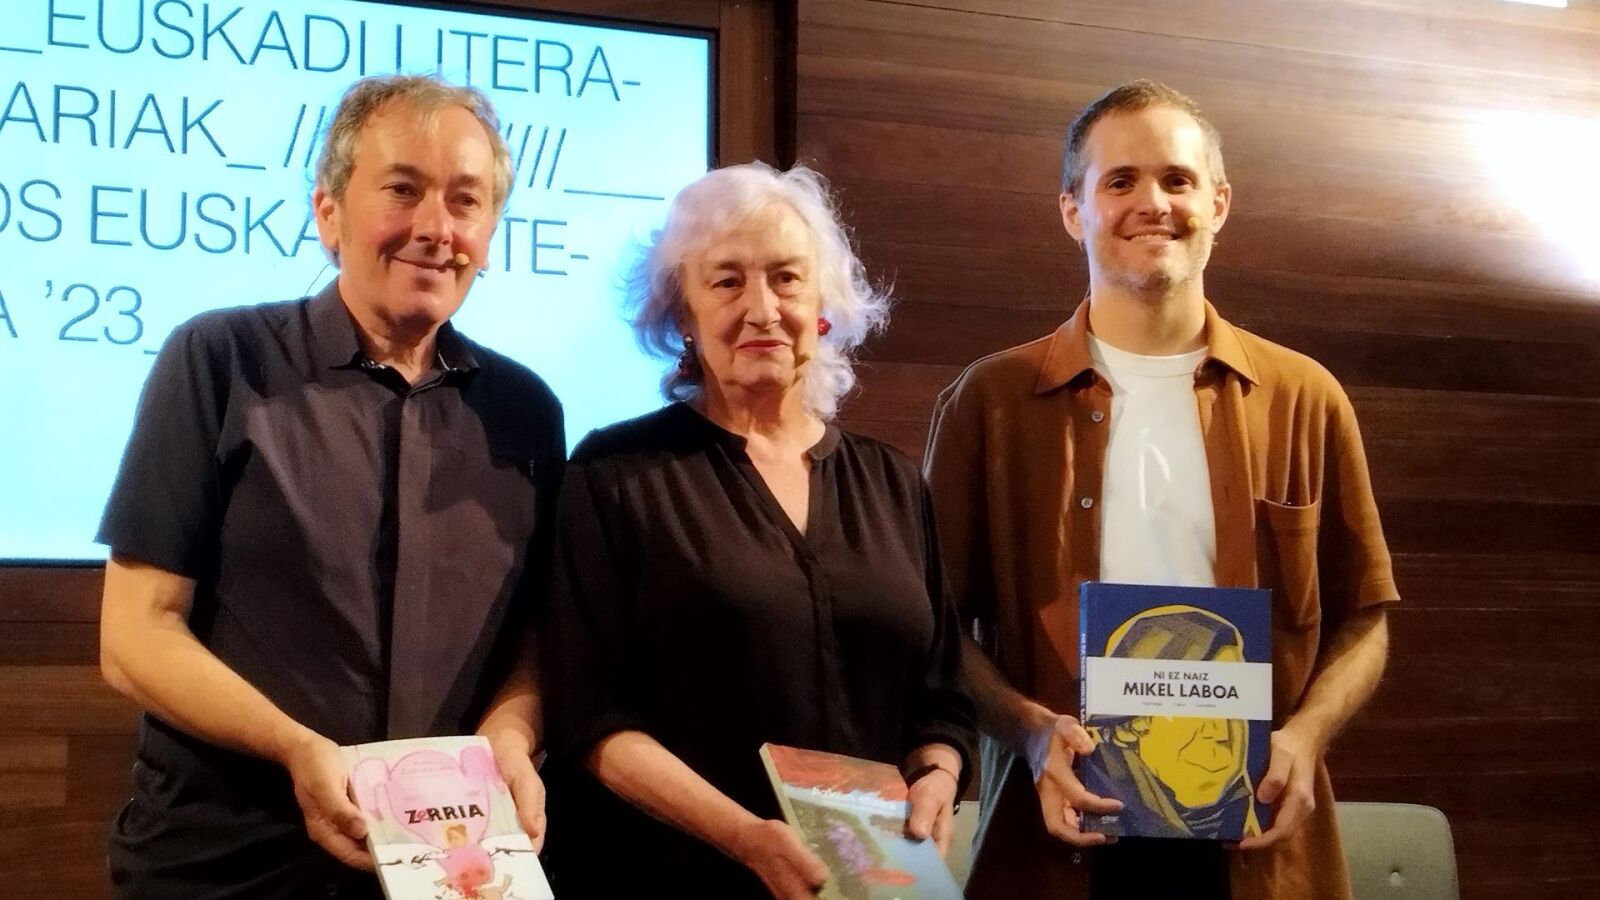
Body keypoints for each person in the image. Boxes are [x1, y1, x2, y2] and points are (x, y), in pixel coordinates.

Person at [924, 79, 1397, 899]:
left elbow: (1366, 619)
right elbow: (935, 628)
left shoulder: (1304, 398)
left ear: (1218, 203)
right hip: (1055, 850)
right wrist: (1030, 734)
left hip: (1257, 848)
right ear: (1073, 211)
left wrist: (1307, 735)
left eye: (1177, 179)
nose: (1153, 203)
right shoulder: (990, 403)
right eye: (1120, 181)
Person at [96, 74, 564, 899]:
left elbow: (530, 639)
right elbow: (136, 636)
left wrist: (512, 738)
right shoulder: (220, 360)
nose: (436, 228)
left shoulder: (526, 412)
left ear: (490, 234)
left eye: (466, 201)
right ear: (328, 214)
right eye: (403, 190)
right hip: (226, 867)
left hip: (443, 869)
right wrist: (294, 747)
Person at [540, 162, 976, 899]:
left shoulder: (892, 481)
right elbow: (590, 719)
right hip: (674, 880)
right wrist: (746, 839)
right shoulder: (615, 473)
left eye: (786, 279)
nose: (762, 308)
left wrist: (937, 773)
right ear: (682, 313)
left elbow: (941, 698)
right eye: (727, 281)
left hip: (871, 883)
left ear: (822, 305)